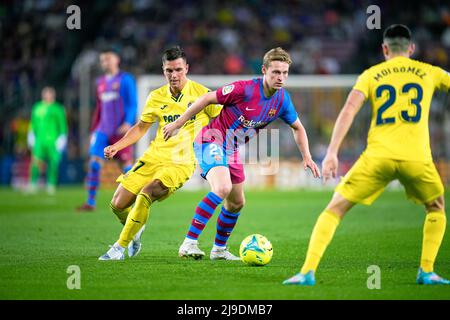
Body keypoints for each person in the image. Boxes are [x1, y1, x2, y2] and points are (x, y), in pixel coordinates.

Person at [283, 24, 450, 286]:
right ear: (412, 49)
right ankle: (426, 271)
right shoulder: (430, 72)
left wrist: (332, 152)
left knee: (335, 209)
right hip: (417, 158)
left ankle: (307, 272)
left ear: (384, 49)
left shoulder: (372, 74)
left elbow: (349, 110)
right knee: (436, 207)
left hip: (378, 158)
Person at [163, 47, 321, 260]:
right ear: (264, 70)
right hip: (211, 139)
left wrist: (307, 157)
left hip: (232, 150)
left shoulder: (282, 100)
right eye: (275, 72)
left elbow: (298, 128)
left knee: (236, 202)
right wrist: (179, 123)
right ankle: (189, 243)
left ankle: (219, 250)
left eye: (284, 72)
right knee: (222, 187)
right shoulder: (243, 89)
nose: (280, 77)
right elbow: (207, 98)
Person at [98, 46, 222, 260]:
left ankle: (119, 247)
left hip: (181, 162)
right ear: (163, 70)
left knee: (147, 193)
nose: (174, 75)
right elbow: (140, 127)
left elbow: (222, 120)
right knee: (117, 204)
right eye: (169, 71)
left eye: (178, 70)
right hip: (154, 156)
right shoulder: (156, 97)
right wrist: (117, 146)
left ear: (187, 69)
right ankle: (136, 228)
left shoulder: (203, 94)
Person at [77, 49, 137, 211]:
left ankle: (137, 198)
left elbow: (133, 104)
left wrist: (128, 122)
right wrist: (93, 129)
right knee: (94, 163)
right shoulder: (100, 82)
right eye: (103, 60)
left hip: (120, 131)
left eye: (108, 59)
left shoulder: (126, 80)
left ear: (117, 59)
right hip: (102, 130)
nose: (106, 62)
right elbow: (99, 108)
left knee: (126, 165)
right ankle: (90, 202)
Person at [27, 87, 67, 195]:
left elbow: (62, 125)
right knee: (35, 162)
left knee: (53, 164)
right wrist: (30, 134)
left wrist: (62, 138)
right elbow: (33, 123)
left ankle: (51, 184)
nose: (47, 96)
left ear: (53, 95)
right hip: (39, 141)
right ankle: (32, 184)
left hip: (53, 142)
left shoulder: (58, 109)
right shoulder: (37, 107)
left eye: (50, 94)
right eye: (46, 93)